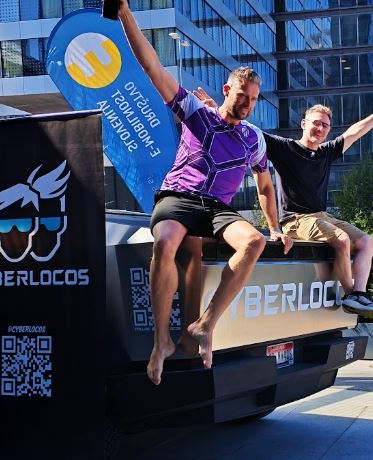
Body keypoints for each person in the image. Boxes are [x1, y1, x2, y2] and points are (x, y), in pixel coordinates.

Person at [116, 0, 293, 384]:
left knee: (253, 243)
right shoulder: (196, 111)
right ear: (227, 89)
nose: (247, 104)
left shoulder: (254, 140)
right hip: (178, 196)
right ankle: (161, 341)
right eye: (242, 95)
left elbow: (265, 184)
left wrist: (274, 227)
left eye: (253, 99)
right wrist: (125, 13)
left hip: (215, 208)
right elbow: (152, 67)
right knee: (165, 243)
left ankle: (204, 325)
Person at [192, 89, 373, 318]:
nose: (320, 129)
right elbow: (247, 129)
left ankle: (360, 293)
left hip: (323, 217)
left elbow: (354, 132)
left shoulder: (327, 152)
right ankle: (351, 296)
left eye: (325, 126)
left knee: (367, 242)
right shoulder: (285, 148)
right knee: (342, 240)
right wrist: (216, 110)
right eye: (316, 123)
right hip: (296, 220)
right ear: (303, 124)